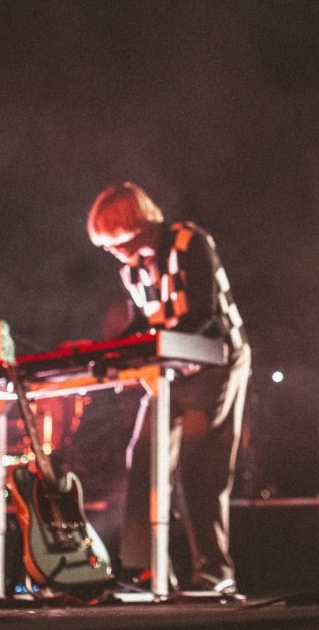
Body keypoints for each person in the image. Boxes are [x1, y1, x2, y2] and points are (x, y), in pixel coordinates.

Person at [87, 182, 250, 593]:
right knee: (143, 456)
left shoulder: (189, 242)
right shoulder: (131, 269)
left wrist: (151, 345)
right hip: (172, 372)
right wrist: (112, 352)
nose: (111, 251)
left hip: (216, 363)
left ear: (134, 223)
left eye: (114, 240)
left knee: (200, 465)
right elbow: (143, 324)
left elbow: (203, 313)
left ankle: (214, 573)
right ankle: (144, 569)